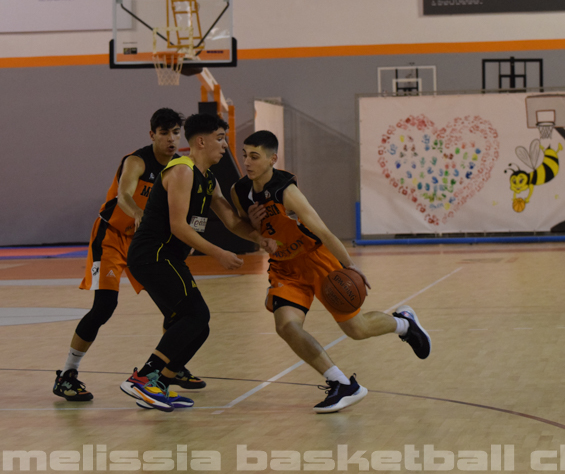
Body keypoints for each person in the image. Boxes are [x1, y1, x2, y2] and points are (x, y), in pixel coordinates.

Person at [230, 130, 431, 414]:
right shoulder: (239, 191)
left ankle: (404, 324)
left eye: (254, 156)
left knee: (357, 330)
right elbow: (242, 226)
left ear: (273, 159)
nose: (247, 162)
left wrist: (350, 266)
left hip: (316, 259)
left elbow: (323, 231)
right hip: (284, 268)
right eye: (245, 156)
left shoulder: (286, 192)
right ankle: (341, 383)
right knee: (286, 326)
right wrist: (254, 229)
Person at [119, 114, 277, 412]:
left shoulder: (208, 179)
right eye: (220, 138)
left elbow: (231, 220)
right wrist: (219, 253)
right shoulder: (182, 170)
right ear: (201, 141)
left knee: (197, 326)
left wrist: (260, 238)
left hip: (167, 257)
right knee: (195, 315)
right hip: (152, 254)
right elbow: (178, 225)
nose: (225, 145)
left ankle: (158, 385)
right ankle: (143, 379)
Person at [53, 108, 206, 402]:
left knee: (176, 309)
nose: (171, 139)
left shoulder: (179, 167)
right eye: (164, 133)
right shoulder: (136, 161)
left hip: (143, 244)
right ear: (152, 135)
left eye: (176, 133)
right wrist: (138, 213)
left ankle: (171, 366)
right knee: (104, 306)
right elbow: (123, 195)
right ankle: (67, 374)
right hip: (111, 237)